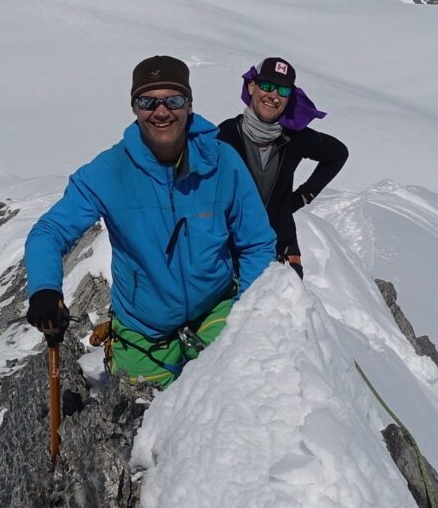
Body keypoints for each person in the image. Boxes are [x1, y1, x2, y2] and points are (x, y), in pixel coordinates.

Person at [24, 55, 278, 386]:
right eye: (147, 102)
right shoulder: (109, 171)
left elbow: (257, 242)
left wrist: (247, 310)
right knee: (141, 423)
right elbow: (50, 231)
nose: (161, 112)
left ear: (189, 105)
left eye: (173, 100)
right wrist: (44, 289)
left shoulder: (223, 162)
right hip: (143, 327)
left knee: (239, 395)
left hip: (215, 309)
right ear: (134, 108)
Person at [216, 56, 347, 275]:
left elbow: (337, 154)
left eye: (283, 91)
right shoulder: (226, 135)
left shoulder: (294, 139)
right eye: (267, 86)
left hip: (279, 253)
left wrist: (301, 198)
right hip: (229, 254)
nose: (274, 95)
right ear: (251, 86)